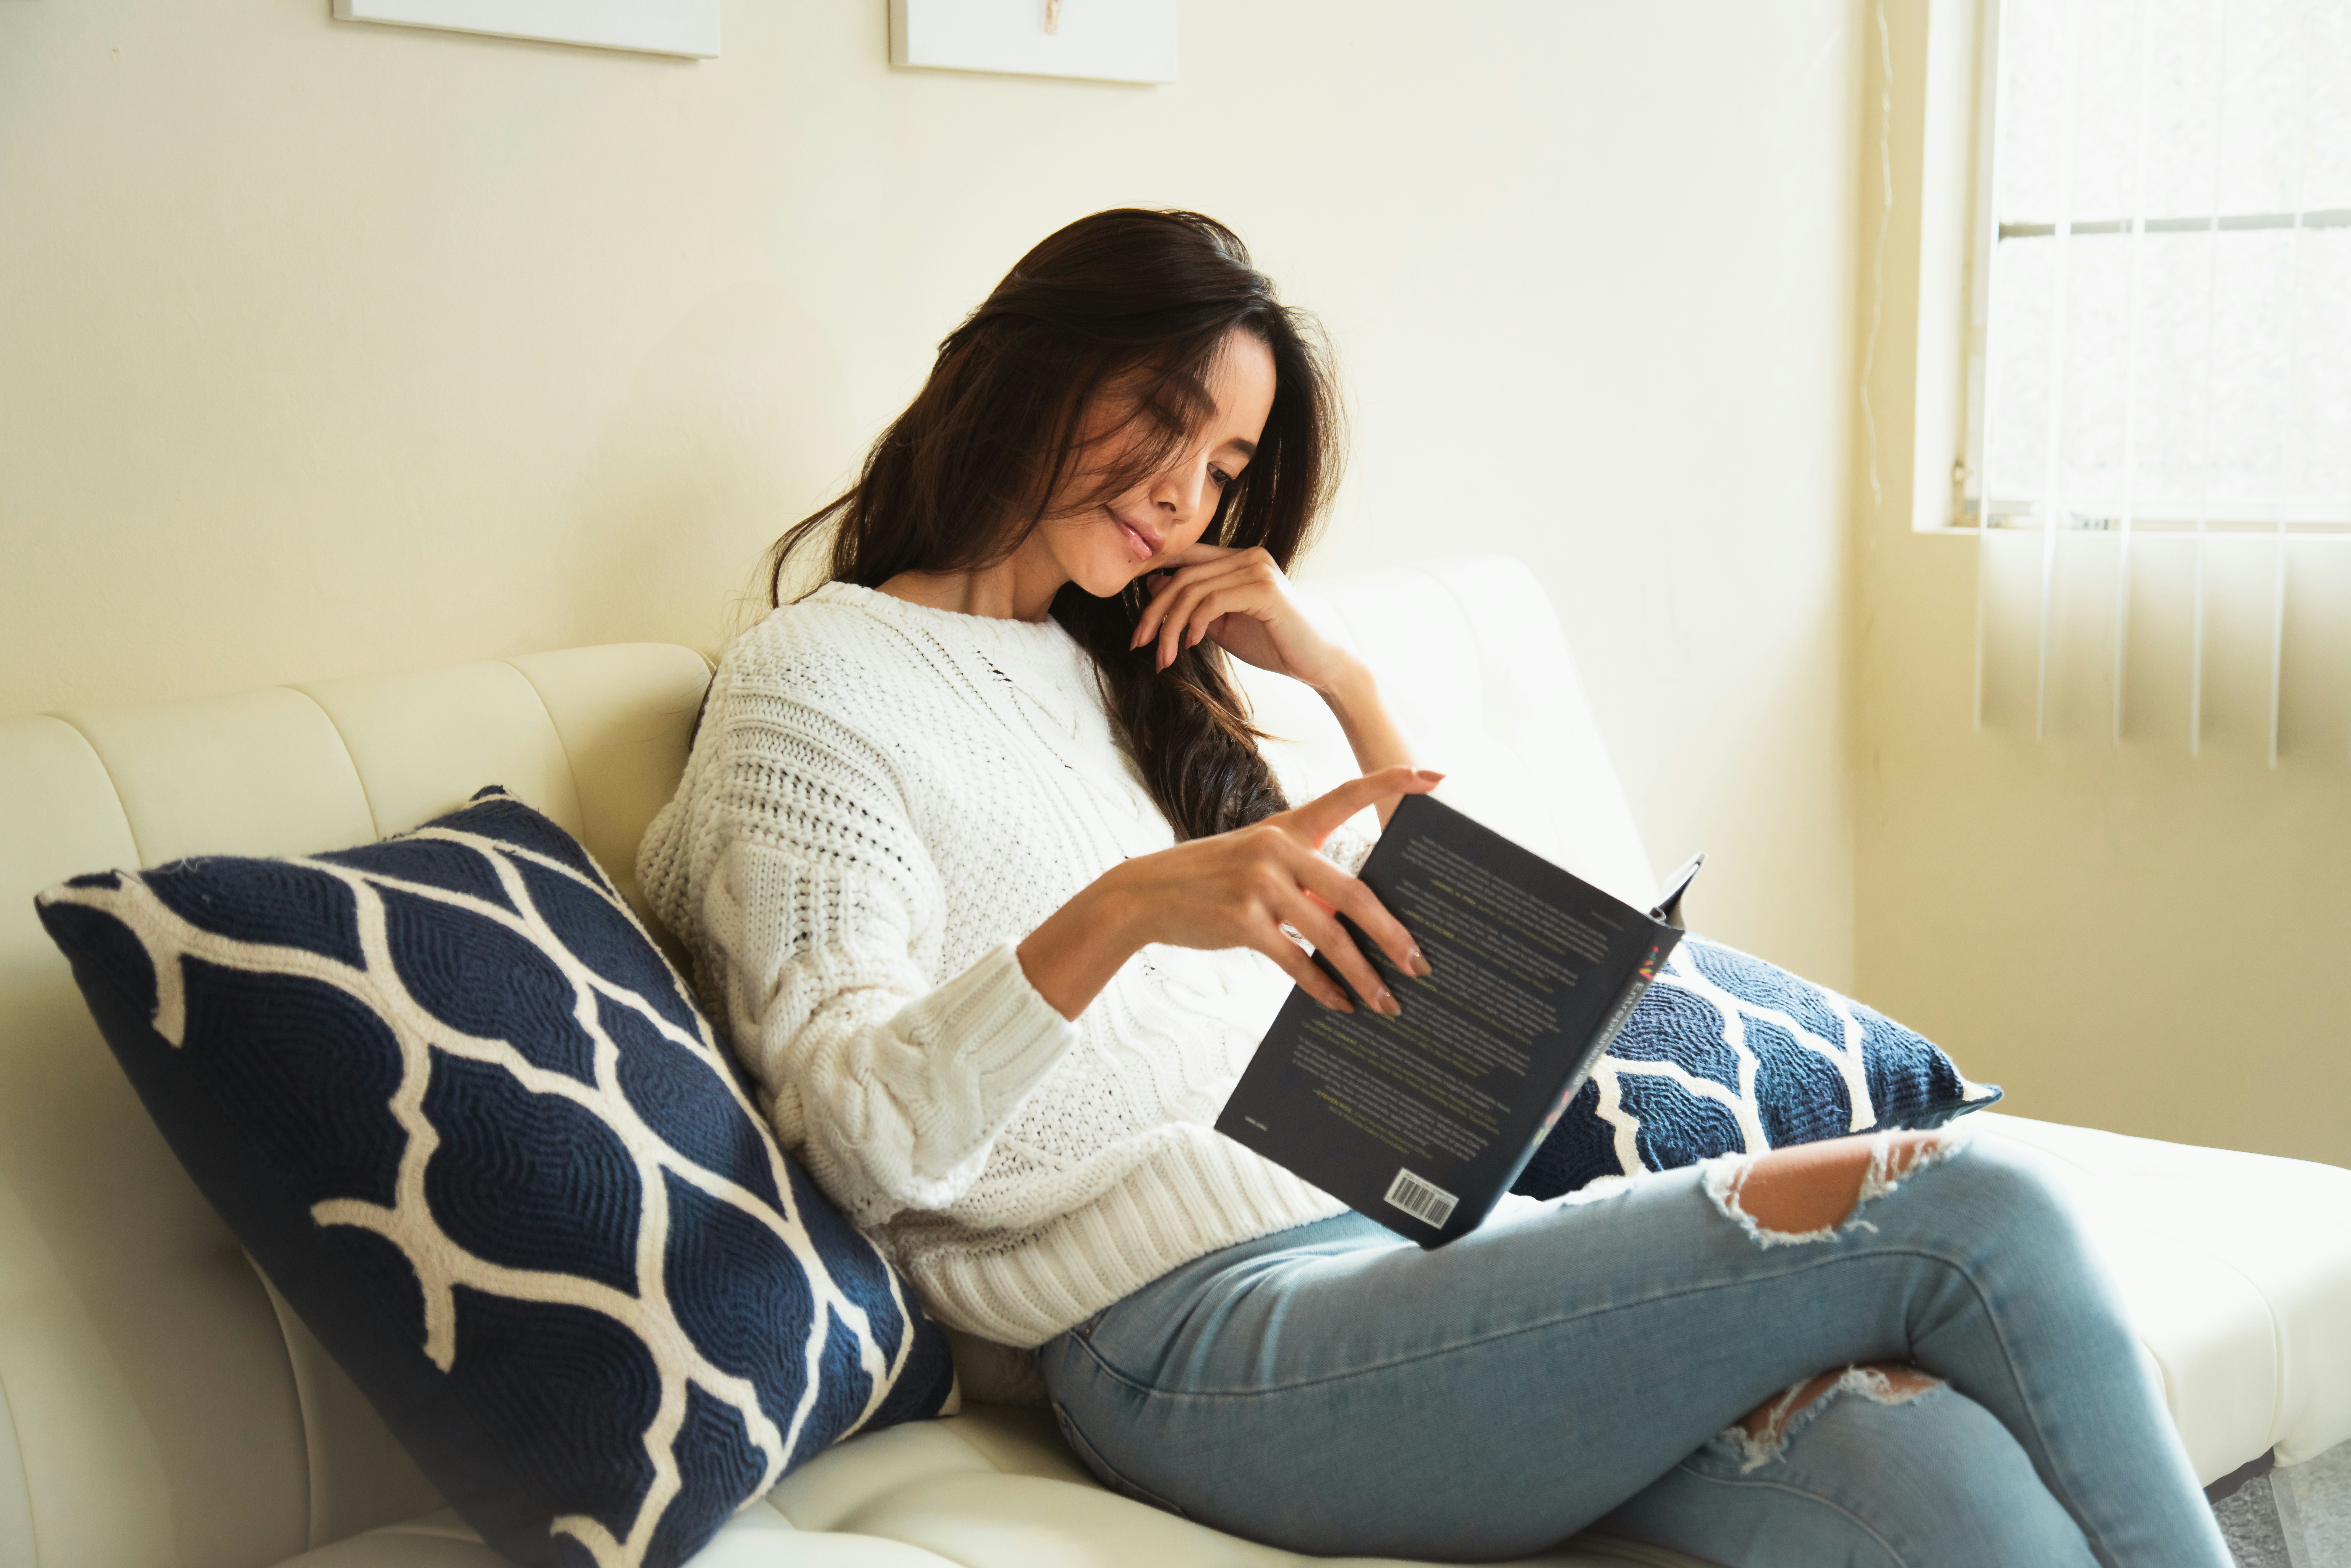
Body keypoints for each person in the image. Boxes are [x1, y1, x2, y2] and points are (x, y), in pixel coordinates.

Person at [636, 208, 2231, 1567]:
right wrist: (1127, 909)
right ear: (1029, 361)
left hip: (1413, 1259)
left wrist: (1335, 680)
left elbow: (1439, 1006)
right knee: (1973, 1205)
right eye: (1166, 418)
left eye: (1229, 460)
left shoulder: (1119, 677)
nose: (1191, 491)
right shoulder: (811, 689)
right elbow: (859, 1133)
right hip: (1196, 1340)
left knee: (1934, 1474)